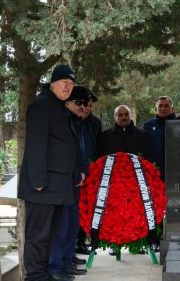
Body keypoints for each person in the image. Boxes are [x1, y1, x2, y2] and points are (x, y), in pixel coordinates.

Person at [18, 65, 77, 281]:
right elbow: (36, 145)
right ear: (52, 83)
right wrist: (38, 181)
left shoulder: (58, 106)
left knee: (50, 235)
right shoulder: (42, 105)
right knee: (37, 236)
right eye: (64, 82)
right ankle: (34, 276)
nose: (68, 87)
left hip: (57, 186)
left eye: (71, 84)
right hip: (42, 186)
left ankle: (42, 274)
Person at [97, 105, 153, 256]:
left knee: (137, 214)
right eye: (120, 115)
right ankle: (115, 245)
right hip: (113, 183)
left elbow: (148, 158)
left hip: (136, 183)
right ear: (115, 117)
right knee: (114, 215)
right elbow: (100, 159)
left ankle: (138, 244)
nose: (123, 117)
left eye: (126, 114)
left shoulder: (142, 135)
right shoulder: (105, 136)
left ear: (130, 116)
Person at [49, 87, 89, 279]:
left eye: (84, 103)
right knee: (61, 227)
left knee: (72, 224)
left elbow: (79, 154)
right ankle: (55, 267)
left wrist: (82, 173)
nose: (83, 106)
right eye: (79, 103)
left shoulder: (76, 123)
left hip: (75, 183)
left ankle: (66, 262)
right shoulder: (63, 122)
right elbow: (62, 155)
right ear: (67, 103)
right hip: (63, 183)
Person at [74, 88, 102, 257]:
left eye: (90, 104)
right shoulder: (71, 120)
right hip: (74, 171)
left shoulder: (95, 122)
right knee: (74, 209)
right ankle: (74, 243)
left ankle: (82, 241)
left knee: (87, 207)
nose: (88, 106)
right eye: (85, 103)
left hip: (91, 172)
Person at [142, 96, 176, 181]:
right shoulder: (148, 125)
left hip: (176, 172)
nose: (163, 108)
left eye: (166, 106)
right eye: (160, 106)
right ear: (155, 108)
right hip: (154, 172)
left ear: (172, 108)